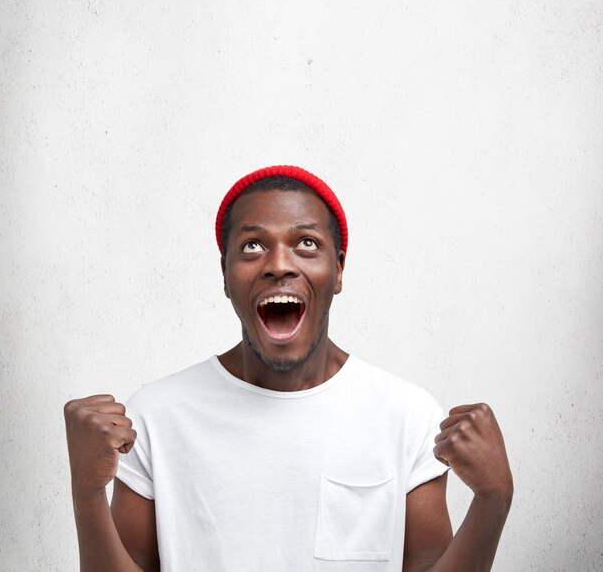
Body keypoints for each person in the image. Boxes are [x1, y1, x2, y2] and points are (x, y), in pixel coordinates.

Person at [64, 165, 513, 572]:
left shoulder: (407, 416)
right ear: (224, 274)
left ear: (337, 271)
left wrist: (493, 502)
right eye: (253, 246)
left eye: (306, 244)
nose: (279, 264)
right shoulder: (156, 417)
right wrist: (87, 496)